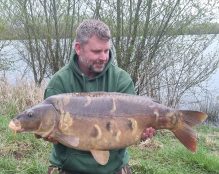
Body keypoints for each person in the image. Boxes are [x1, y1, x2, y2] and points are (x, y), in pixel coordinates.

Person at [42, 19, 155, 174]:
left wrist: (140, 133)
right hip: (69, 166)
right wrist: (49, 134)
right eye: (96, 51)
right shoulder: (59, 83)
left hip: (113, 166)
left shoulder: (121, 80)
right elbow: (48, 128)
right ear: (78, 48)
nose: (103, 57)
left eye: (106, 50)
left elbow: (131, 130)